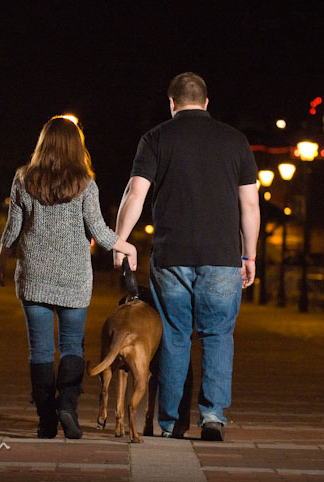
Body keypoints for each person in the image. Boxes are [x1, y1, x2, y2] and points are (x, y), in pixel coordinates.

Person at [113, 73, 260, 442]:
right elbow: (250, 205)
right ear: (206, 103)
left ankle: (169, 422)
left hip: (171, 255)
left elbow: (136, 193)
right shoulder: (235, 141)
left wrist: (120, 240)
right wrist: (250, 255)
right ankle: (212, 417)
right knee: (218, 336)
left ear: (172, 103)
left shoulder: (156, 138)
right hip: (223, 257)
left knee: (175, 337)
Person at [0, 116, 137, 440]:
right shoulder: (85, 182)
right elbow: (99, 232)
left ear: (43, 143)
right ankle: (67, 408)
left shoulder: (23, 179)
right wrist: (126, 245)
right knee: (72, 345)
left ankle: (46, 418)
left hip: (33, 276)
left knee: (40, 350)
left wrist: (0, 263)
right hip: (74, 278)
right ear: (77, 146)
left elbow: (13, 229)